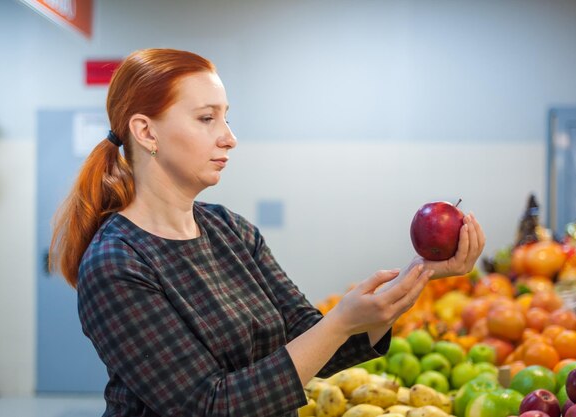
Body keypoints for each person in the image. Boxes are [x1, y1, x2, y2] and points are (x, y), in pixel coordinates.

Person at [49, 48, 485, 417]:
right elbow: (207, 405)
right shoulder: (117, 262)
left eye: (226, 118)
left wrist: (418, 273)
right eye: (207, 119)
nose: (230, 138)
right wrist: (339, 323)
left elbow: (315, 343)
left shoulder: (231, 230)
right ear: (146, 132)